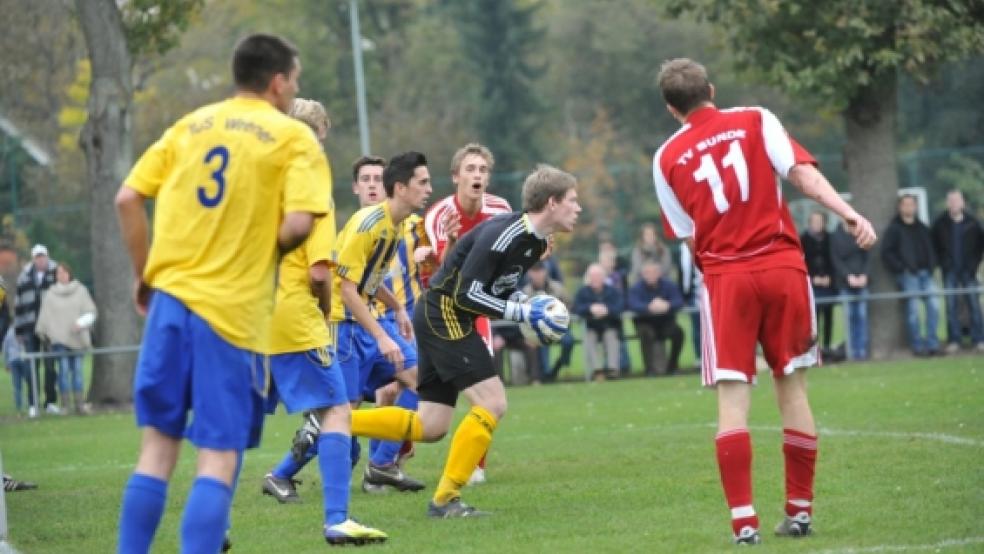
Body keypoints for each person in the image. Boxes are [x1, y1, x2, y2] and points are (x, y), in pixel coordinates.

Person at [114, 34, 326, 553]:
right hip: (231, 313)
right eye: (293, 80)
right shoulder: (294, 137)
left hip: (170, 303)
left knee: (156, 451)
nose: (293, 89)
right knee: (217, 456)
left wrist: (144, 275)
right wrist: (263, 248)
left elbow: (127, 198)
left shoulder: (190, 124)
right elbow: (300, 222)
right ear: (278, 83)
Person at [652, 58, 876, 545]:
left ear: (672, 109)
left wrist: (718, 278)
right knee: (792, 388)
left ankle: (744, 522)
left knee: (733, 403)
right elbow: (801, 175)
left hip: (728, 279)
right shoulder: (756, 117)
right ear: (711, 88)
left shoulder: (666, 158)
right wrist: (849, 213)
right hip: (782, 269)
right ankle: (798, 512)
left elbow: (689, 241)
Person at [346, 164, 580, 518]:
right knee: (493, 401)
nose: (578, 208)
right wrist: (523, 314)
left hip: (444, 315)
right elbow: (467, 293)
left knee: (431, 425)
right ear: (551, 202)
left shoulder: (535, 243)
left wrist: (526, 305)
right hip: (446, 315)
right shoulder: (507, 233)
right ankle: (446, 499)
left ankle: (336, 421)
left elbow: (496, 287)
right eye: (573, 201)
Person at [256, 98, 387, 544]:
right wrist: (325, 308)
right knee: (337, 411)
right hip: (296, 317)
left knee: (238, 422)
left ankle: (214, 524)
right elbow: (318, 272)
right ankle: (336, 519)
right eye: (320, 138)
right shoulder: (312, 188)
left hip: (252, 315)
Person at [422, 143, 510, 484]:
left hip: (477, 308)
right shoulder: (439, 215)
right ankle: (389, 461)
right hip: (441, 308)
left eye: (483, 170)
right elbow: (442, 273)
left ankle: (475, 466)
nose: (478, 175)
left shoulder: (501, 209)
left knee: (487, 387)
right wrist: (454, 241)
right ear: (456, 176)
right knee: (420, 404)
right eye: (470, 169)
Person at [882, 194, 941, 357]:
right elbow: (886, 253)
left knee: (934, 306)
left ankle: (932, 344)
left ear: (915, 207)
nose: (908, 207)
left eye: (911, 204)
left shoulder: (923, 228)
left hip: (926, 274)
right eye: (905, 204)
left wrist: (932, 265)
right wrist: (902, 268)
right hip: (908, 275)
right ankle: (917, 346)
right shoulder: (894, 229)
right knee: (913, 310)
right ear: (900, 207)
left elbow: (932, 249)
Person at [34, 263, 97, 415]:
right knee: (62, 372)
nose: (61, 275)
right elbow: (46, 316)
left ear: (69, 274)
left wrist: (81, 323)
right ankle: (66, 405)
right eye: (58, 273)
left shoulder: (81, 291)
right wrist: (46, 331)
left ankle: (80, 404)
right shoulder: (50, 294)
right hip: (59, 340)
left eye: (64, 272)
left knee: (77, 371)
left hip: (77, 337)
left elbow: (90, 311)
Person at [931, 190, 984, 353]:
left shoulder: (973, 223)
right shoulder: (940, 224)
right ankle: (954, 339)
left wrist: (973, 265)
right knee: (951, 306)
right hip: (950, 271)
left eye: (957, 200)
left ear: (963, 202)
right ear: (947, 203)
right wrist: (943, 264)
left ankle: (979, 339)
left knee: (974, 305)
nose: (954, 204)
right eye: (951, 201)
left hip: (969, 270)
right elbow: (934, 248)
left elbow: (979, 247)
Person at [14, 243, 58, 414]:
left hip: (49, 328)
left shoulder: (55, 273)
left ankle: (50, 402)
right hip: (29, 328)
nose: (40, 260)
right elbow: (18, 305)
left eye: (43, 256)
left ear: (47, 256)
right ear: (33, 259)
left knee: (50, 365)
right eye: (37, 257)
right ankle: (33, 403)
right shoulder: (24, 277)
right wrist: (18, 330)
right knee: (31, 366)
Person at [627, 260, 685, 376]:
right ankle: (649, 369)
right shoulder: (636, 288)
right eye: (647, 272)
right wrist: (649, 306)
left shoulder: (669, 285)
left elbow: (679, 300)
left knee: (678, 333)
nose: (650, 275)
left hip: (665, 321)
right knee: (645, 333)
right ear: (643, 274)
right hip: (645, 322)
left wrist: (667, 305)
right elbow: (632, 303)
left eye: (653, 272)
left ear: (659, 273)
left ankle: (673, 366)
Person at [522, 260, 574, 382]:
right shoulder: (525, 292)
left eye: (540, 271)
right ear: (529, 273)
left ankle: (560, 364)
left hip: (559, 328)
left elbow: (570, 304)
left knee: (568, 342)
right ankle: (547, 374)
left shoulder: (558, 288)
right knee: (541, 344)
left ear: (545, 272)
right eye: (534, 272)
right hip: (538, 330)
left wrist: (563, 316)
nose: (537, 275)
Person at [573, 263, 624, 381]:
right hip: (591, 326)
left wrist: (607, 310)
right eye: (592, 276)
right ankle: (597, 370)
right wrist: (590, 308)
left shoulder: (613, 291)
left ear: (604, 277)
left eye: (598, 276)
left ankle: (613, 370)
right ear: (588, 278)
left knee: (611, 337)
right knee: (589, 338)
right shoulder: (582, 292)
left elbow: (620, 307)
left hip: (609, 325)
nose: (595, 279)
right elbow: (576, 308)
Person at [830, 222, 871, 360]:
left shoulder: (860, 232)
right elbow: (836, 259)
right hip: (845, 283)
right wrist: (848, 276)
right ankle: (851, 352)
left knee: (861, 316)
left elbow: (867, 256)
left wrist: (864, 274)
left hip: (861, 282)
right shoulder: (836, 236)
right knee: (849, 318)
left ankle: (861, 351)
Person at [800, 212, 836, 354]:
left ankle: (827, 348)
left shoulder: (829, 239)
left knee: (828, 316)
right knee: (814, 318)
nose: (817, 224)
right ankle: (815, 349)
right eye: (814, 221)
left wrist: (829, 277)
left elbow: (833, 259)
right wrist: (813, 277)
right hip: (811, 283)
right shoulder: (803, 239)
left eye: (819, 221)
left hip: (827, 283)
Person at [4, 327, 33, 417]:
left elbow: (5, 347)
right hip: (22, 358)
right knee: (29, 381)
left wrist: (6, 362)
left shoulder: (9, 331)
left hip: (13, 359)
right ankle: (31, 403)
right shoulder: (24, 329)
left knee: (17, 385)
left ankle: (19, 406)